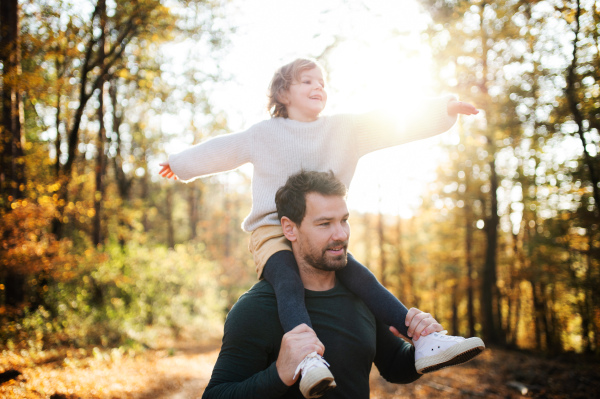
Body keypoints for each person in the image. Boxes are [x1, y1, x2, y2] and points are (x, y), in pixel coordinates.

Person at [160, 58, 484, 398]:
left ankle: (425, 339)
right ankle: (308, 357)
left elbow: (391, 122)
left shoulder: (344, 129)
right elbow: (221, 150)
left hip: (316, 232)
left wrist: (442, 109)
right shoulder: (263, 134)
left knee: (362, 278)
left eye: (322, 82)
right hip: (270, 229)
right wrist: (180, 164)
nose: (318, 87)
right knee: (286, 280)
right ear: (282, 93)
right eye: (306, 82)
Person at [202, 170, 450, 398]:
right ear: (290, 228)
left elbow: (396, 366)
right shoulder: (255, 309)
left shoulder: (361, 296)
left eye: (344, 220)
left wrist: (420, 345)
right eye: (325, 224)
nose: (341, 234)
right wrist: (278, 374)